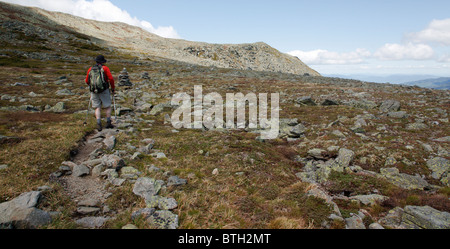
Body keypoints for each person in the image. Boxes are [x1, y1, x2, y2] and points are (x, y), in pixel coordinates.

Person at [85, 55, 115, 131]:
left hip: (94, 90)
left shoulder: (90, 69)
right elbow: (111, 78)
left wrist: (92, 87)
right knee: (107, 106)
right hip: (104, 90)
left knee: (97, 107)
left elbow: (87, 81)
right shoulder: (105, 68)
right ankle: (108, 122)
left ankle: (99, 123)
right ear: (102, 62)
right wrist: (112, 88)